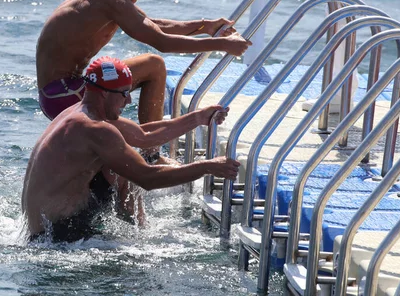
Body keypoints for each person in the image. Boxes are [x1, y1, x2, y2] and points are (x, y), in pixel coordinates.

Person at [36, 0, 252, 160]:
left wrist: (205, 25)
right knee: (154, 65)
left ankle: (148, 154)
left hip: (59, 93)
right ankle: (151, 155)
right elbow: (162, 42)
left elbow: (151, 24)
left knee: (147, 66)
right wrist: (222, 45)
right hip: (64, 94)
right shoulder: (108, 0)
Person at [22, 57, 240, 243]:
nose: (128, 100)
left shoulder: (79, 113)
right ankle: (142, 238)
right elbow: (148, 178)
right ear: (104, 93)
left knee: (119, 161)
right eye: (124, 93)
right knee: (126, 166)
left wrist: (199, 117)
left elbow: (143, 136)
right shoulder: (95, 129)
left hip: (38, 231)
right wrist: (207, 167)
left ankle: (139, 230)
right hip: (57, 237)